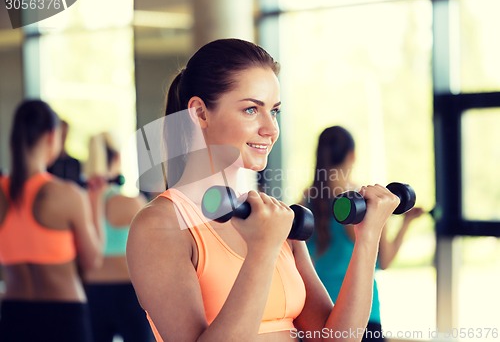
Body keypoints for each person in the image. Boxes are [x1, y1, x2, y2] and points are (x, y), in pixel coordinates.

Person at [126, 38, 401, 342]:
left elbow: (335, 338)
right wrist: (262, 250)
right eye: (250, 110)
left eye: (275, 111)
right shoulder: (160, 225)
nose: (271, 129)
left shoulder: (272, 216)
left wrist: (368, 238)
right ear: (200, 113)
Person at [305, 126, 424, 342]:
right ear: (352, 155)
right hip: (360, 315)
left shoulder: (305, 202)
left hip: (315, 314)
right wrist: (405, 223)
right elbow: (385, 260)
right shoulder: (365, 204)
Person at [0, 100, 104, 342]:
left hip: (14, 315)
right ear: (51, 136)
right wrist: (95, 201)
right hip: (63, 317)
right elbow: (92, 260)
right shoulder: (67, 195)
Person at [83, 132, 152, 342]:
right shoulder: (132, 203)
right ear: (116, 159)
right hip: (129, 293)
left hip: (91, 292)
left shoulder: (78, 202)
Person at [48, 120, 82, 184]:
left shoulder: (74, 163)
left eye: (64, 135)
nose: (63, 138)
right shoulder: (48, 162)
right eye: (61, 135)